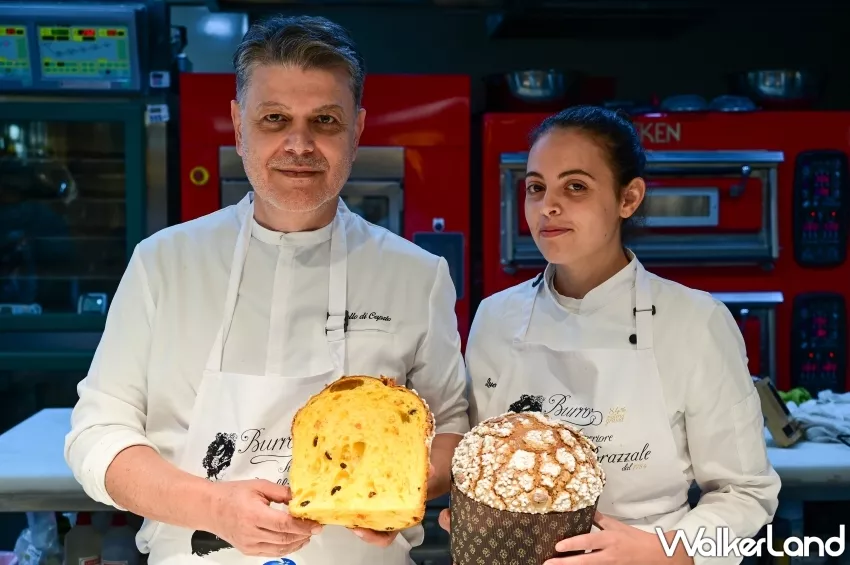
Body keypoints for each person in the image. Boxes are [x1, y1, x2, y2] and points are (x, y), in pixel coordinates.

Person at [64, 15, 469, 565]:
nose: (299, 144)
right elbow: (97, 436)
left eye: (324, 121)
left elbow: (448, 434)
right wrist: (214, 507)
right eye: (274, 118)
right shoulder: (164, 263)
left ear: (358, 128)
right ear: (237, 123)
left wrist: (396, 489)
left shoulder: (416, 276)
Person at [439, 106, 781, 565]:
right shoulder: (496, 317)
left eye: (575, 186)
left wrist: (659, 552)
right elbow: (481, 465)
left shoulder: (695, 321)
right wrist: (471, 511)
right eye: (536, 188)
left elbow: (747, 495)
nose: (548, 206)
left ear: (629, 198)